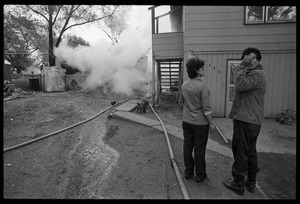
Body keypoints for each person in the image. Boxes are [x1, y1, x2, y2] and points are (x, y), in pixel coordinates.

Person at [223, 47, 266, 195]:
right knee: (250, 151)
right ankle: (251, 181)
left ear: (258, 60)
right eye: (247, 57)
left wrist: (241, 65)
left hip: (246, 121)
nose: (249, 60)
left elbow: (240, 87)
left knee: (241, 151)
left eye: (253, 58)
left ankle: (238, 183)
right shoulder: (252, 74)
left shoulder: (257, 75)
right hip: (251, 120)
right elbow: (241, 96)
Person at [179, 57, 215, 183]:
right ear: (196, 71)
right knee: (199, 149)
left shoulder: (184, 85)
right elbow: (206, 108)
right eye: (201, 68)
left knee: (187, 146)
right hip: (200, 124)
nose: (204, 69)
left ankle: (188, 172)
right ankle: (200, 175)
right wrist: (211, 123)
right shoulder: (203, 87)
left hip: (187, 122)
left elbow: (180, 102)